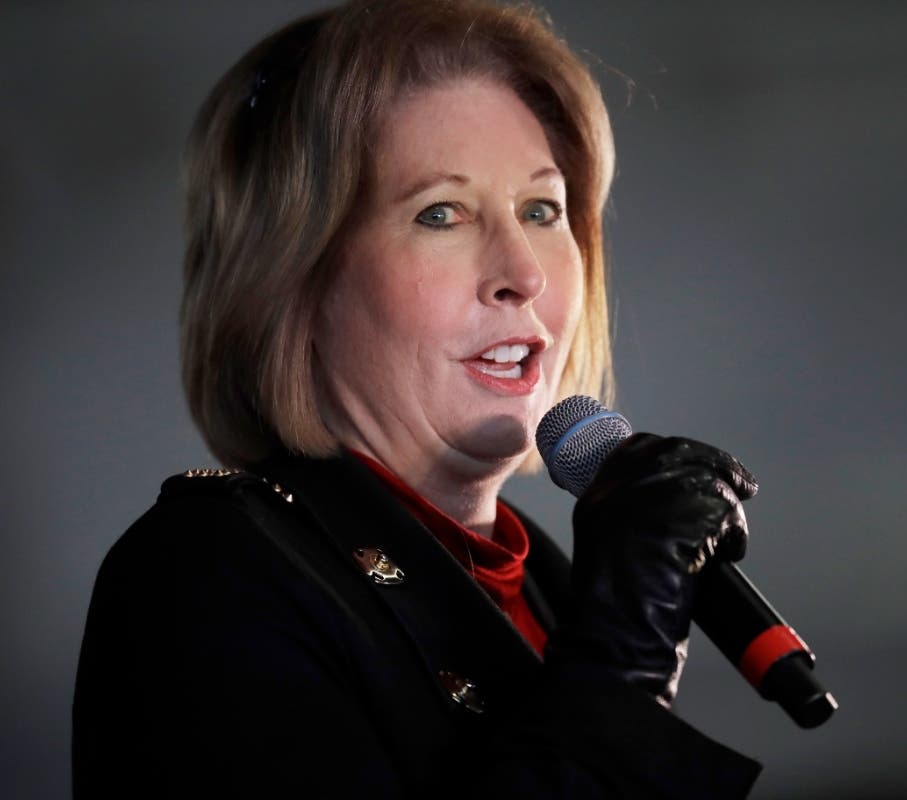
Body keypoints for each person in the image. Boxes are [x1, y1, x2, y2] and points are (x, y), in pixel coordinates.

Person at [72, 0, 763, 796]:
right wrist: (618, 665)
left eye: (542, 209)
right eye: (442, 213)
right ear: (293, 283)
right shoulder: (203, 571)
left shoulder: (540, 576)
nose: (524, 272)